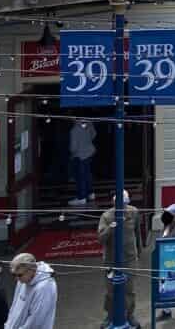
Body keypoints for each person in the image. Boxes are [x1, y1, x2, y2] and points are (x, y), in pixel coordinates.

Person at [97, 190, 143, 329]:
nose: (123, 207)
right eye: (120, 204)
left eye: (125, 203)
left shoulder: (134, 212)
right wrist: (112, 227)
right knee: (111, 291)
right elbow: (101, 239)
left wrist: (139, 251)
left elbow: (137, 232)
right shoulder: (106, 216)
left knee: (130, 290)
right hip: (111, 260)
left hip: (129, 259)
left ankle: (129, 315)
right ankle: (110, 316)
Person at [4, 253, 57, 329]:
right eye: (14, 275)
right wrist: (8, 324)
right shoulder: (22, 280)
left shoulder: (44, 287)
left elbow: (36, 320)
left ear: (32, 269)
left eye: (19, 275)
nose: (16, 279)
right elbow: (14, 305)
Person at [68, 118, 97, 206]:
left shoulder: (74, 130)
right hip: (89, 152)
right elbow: (94, 134)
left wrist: (71, 153)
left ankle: (81, 197)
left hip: (80, 155)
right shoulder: (89, 124)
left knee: (80, 177)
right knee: (87, 174)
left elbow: (73, 148)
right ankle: (90, 193)